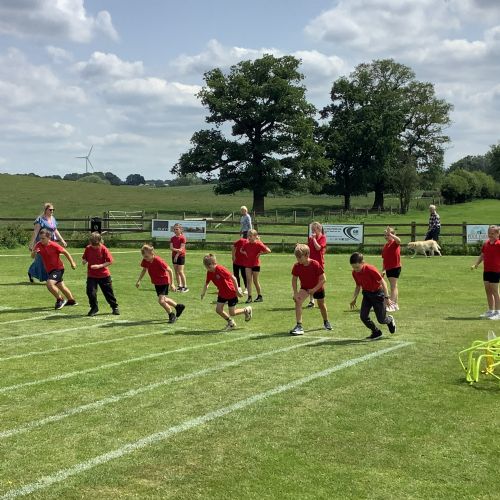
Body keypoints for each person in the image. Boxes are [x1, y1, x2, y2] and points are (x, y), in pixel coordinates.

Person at [349, 252, 396, 340]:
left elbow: (383, 283)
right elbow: (358, 286)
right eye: (353, 267)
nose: (355, 269)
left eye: (357, 267)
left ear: (363, 263)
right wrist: (354, 298)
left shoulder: (371, 269)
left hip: (378, 294)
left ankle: (389, 320)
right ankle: (376, 332)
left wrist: (386, 297)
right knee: (363, 317)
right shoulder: (354, 273)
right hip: (367, 294)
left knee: (381, 320)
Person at [201, 253, 252, 331]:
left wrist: (237, 291)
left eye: (209, 267)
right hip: (222, 293)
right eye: (206, 267)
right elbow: (207, 283)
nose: (208, 269)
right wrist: (203, 293)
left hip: (231, 292)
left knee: (232, 313)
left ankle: (246, 310)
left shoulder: (220, 269)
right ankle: (231, 323)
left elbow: (233, 278)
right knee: (218, 310)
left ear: (213, 263)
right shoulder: (209, 272)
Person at [289, 244, 332, 336]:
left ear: (307, 255)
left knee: (321, 305)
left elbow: (323, 279)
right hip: (305, 288)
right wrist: (295, 293)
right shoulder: (297, 266)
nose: (298, 260)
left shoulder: (315, 264)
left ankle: (326, 321)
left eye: (300, 257)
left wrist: (314, 289)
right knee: (298, 301)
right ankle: (299, 326)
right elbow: (294, 279)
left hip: (318, 288)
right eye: (297, 257)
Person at [136, 244, 185, 324]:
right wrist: (139, 280)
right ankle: (178, 307)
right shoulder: (145, 260)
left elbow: (170, 270)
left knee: (161, 301)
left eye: (147, 256)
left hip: (164, 281)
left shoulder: (158, 260)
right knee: (164, 299)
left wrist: (172, 284)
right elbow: (144, 270)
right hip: (156, 283)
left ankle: (171, 315)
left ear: (152, 253)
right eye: (144, 257)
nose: (145, 258)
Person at [31, 228, 77, 310]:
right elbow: (32, 256)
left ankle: (60, 299)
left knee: (49, 283)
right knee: (61, 286)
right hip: (50, 270)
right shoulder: (38, 245)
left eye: (43, 238)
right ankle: (71, 301)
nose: (41, 240)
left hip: (58, 269)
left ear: (49, 238)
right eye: (40, 238)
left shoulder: (54, 245)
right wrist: (34, 253)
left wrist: (72, 263)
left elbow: (65, 252)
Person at [82, 232, 119, 317]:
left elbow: (110, 261)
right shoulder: (88, 248)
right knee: (90, 292)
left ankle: (114, 307)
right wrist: (84, 261)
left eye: (96, 245)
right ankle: (94, 308)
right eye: (92, 244)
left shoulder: (104, 249)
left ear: (99, 242)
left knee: (108, 293)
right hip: (91, 275)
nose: (94, 246)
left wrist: (99, 266)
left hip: (104, 275)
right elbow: (85, 258)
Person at [28, 202, 67, 283]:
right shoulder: (40, 220)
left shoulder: (53, 219)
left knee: (50, 260)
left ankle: (49, 277)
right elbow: (35, 232)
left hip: (51, 243)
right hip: (41, 242)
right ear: (46, 210)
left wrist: (62, 240)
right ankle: (32, 272)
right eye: (50, 209)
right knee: (40, 260)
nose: (52, 211)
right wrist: (31, 244)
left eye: (53, 210)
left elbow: (55, 230)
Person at [471, 225, 500, 319]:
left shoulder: (499, 244)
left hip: (496, 271)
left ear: (497, 234)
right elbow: (482, 255)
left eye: (492, 233)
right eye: (489, 233)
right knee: (488, 290)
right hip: (486, 270)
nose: (490, 235)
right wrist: (476, 264)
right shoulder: (486, 243)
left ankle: (498, 312)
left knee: (495, 291)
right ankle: (491, 311)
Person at [240, 229, 271, 303]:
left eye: (250, 236)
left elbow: (268, 250)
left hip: (255, 264)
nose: (249, 237)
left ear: (255, 236)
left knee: (255, 280)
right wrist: (244, 253)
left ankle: (259, 296)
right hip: (248, 264)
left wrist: (261, 253)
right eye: (248, 236)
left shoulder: (258, 244)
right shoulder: (246, 244)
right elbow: (241, 250)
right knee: (248, 280)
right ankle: (249, 297)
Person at [307, 222, 327, 308]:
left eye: (314, 229)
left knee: (320, 282)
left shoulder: (323, 238)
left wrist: (314, 239)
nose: (312, 231)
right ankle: (311, 301)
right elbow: (308, 249)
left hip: (319, 264)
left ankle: (321, 300)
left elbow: (318, 248)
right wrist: (300, 246)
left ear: (319, 229)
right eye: (312, 229)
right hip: (310, 263)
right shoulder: (310, 238)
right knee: (310, 282)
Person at [381, 226, 401, 312]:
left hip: (395, 267)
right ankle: (395, 304)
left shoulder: (394, 243)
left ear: (393, 235)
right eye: (385, 235)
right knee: (394, 286)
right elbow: (384, 259)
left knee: (393, 287)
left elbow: (399, 241)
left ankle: (391, 305)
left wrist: (391, 235)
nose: (386, 237)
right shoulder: (386, 245)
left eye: (388, 235)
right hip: (388, 268)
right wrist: (383, 269)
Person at [170, 223, 188, 292]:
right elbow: (171, 248)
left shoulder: (183, 238)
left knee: (180, 271)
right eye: (174, 229)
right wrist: (176, 250)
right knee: (176, 272)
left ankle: (185, 286)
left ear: (181, 229)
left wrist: (177, 255)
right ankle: (179, 286)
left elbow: (181, 249)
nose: (175, 230)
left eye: (177, 229)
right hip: (173, 256)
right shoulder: (172, 238)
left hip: (181, 256)